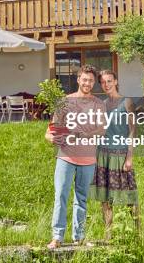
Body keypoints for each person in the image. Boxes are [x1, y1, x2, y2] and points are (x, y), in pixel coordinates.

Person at [45, 65, 105, 249]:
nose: (87, 83)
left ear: (94, 83)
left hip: (88, 159)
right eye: (84, 79)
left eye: (91, 80)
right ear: (78, 80)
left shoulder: (98, 105)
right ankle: (57, 237)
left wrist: (83, 135)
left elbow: (101, 131)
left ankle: (79, 237)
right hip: (66, 157)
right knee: (61, 195)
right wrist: (52, 138)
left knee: (81, 198)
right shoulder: (65, 102)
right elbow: (49, 132)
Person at [90, 69, 140, 241]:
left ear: (116, 81)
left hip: (121, 154)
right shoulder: (102, 104)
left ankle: (138, 233)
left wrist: (130, 156)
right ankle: (108, 235)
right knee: (105, 198)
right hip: (103, 154)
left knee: (129, 196)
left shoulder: (127, 102)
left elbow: (133, 131)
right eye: (103, 82)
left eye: (109, 81)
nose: (106, 85)